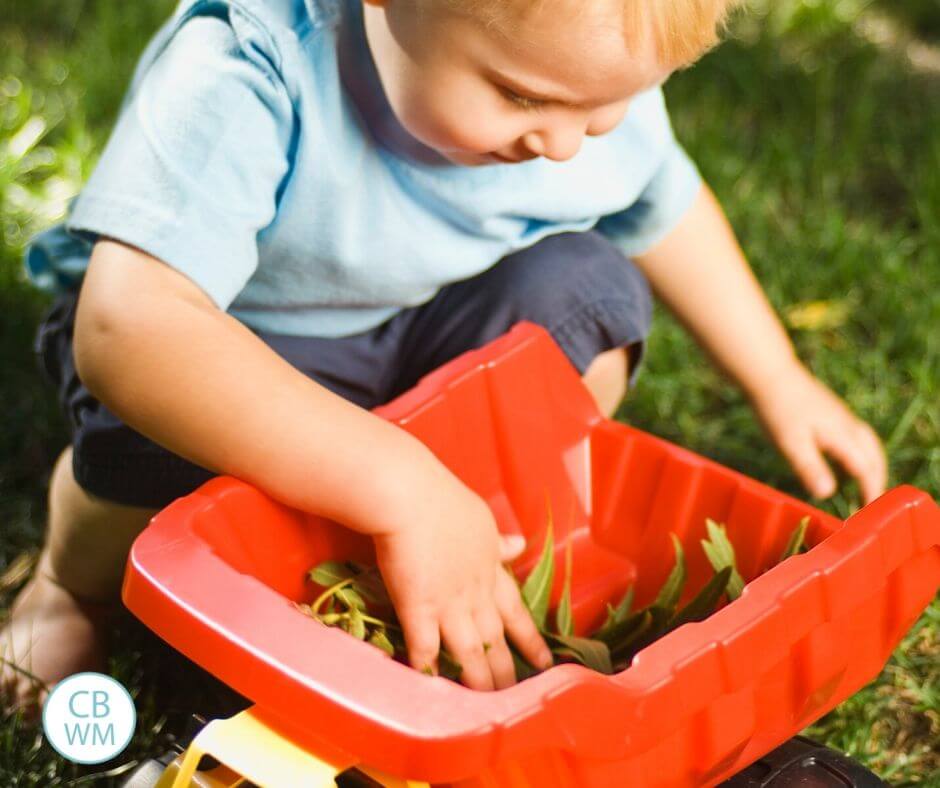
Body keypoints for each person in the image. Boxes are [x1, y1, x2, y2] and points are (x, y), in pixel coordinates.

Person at [2, 0, 887, 714]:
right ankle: (67, 584)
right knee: (150, 434)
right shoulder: (251, 67)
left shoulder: (573, 78)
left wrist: (779, 377)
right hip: (232, 347)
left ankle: (465, 522)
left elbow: (662, 204)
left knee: (585, 285)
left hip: (408, 333)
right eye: (523, 97)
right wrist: (398, 478)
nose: (565, 144)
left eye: (606, 107)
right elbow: (131, 333)